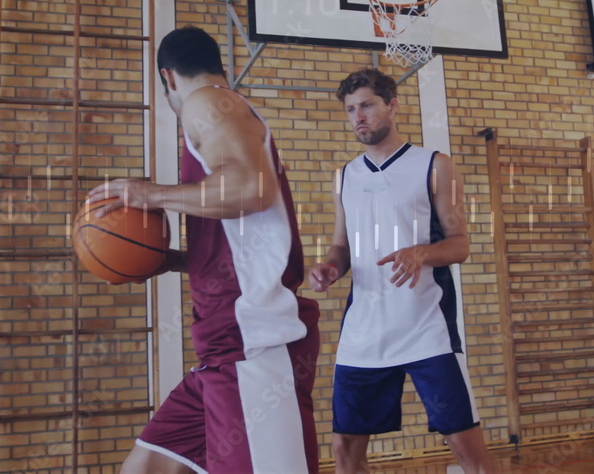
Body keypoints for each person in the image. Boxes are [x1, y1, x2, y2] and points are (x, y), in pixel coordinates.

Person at [88, 26, 320, 474]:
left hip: (252, 346)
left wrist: (149, 194)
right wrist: (176, 260)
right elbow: (246, 233)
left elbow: (249, 190)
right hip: (222, 350)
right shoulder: (221, 111)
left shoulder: (206, 102)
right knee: (143, 469)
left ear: (168, 77)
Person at [309, 68, 496, 474]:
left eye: (367, 106)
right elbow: (341, 246)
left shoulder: (434, 165)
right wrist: (329, 268)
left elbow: (460, 244)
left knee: (467, 448)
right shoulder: (345, 177)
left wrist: (421, 252)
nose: (359, 116)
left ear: (392, 106)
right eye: (351, 109)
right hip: (364, 330)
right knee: (343, 450)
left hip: (425, 327)